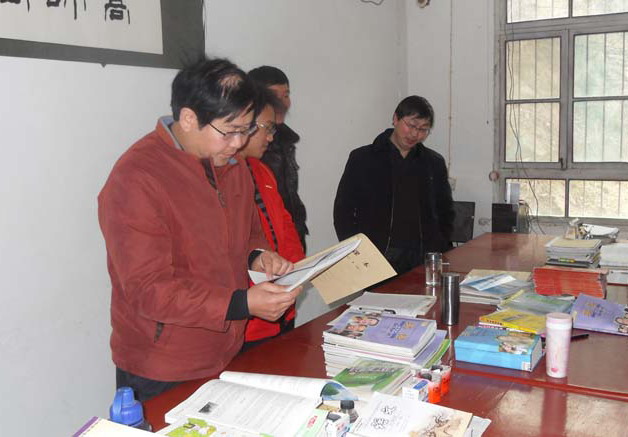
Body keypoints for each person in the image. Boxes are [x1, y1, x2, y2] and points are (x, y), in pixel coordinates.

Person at [98, 57, 301, 402]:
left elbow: (249, 231)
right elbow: (149, 289)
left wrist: (258, 257)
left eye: (246, 130)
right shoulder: (137, 178)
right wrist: (241, 304)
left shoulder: (232, 164)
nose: (239, 143)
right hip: (162, 364)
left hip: (226, 348)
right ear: (189, 119)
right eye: (230, 130)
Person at [333, 95, 454, 275]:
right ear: (395, 119)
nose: (415, 134)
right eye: (411, 125)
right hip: (376, 256)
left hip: (421, 257)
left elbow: (446, 211)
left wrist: (439, 246)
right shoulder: (363, 159)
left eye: (423, 129)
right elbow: (343, 211)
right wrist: (356, 251)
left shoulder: (433, 163)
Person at [239, 85, 306, 350]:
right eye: (267, 128)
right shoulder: (223, 178)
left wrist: (298, 272)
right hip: (250, 314)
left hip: (282, 301)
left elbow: (285, 226)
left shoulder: (261, 170)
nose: (270, 137)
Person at [248, 66, 308, 251]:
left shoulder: (286, 141)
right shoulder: (245, 155)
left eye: (286, 95)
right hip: (262, 249)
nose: (283, 104)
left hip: (289, 238)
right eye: (274, 96)